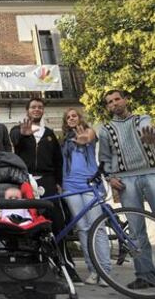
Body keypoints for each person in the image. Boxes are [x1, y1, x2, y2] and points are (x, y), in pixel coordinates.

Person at [9, 97, 82, 284]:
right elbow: (14, 150)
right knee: (27, 223)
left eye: (40, 107)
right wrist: (23, 136)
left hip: (48, 182)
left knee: (57, 222)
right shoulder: (18, 130)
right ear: (27, 110)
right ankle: (32, 264)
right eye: (33, 107)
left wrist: (59, 181)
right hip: (25, 182)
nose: (36, 109)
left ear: (42, 111)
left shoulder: (49, 134)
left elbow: (58, 161)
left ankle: (65, 265)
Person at [99, 89, 155, 289]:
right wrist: (110, 177)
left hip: (151, 173)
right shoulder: (105, 129)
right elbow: (104, 158)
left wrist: (152, 140)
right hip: (125, 180)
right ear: (108, 107)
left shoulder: (143, 119)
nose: (114, 104)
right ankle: (146, 276)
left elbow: (150, 132)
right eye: (110, 102)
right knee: (136, 230)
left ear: (125, 99)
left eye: (117, 99)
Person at [61, 108, 111, 286]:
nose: (71, 118)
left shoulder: (89, 131)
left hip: (90, 184)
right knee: (83, 228)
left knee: (98, 227)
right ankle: (92, 271)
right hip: (70, 187)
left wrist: (83, 140)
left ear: (80, 117)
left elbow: (88, 138)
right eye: (68, 117)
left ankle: (105, 271)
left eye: (74, 115)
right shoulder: (64, 140)